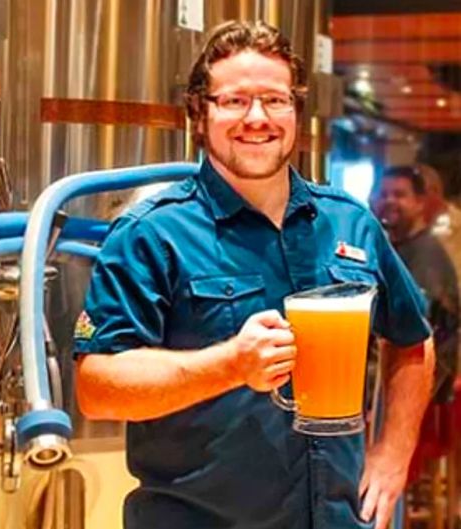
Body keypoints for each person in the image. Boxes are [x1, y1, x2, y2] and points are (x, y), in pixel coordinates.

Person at [73, 20, 434, 529]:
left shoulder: (349, 220)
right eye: (235, 101)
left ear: (296, 110)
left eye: (275, 99)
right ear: (201, 113)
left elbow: (413, 340)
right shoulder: (151, 232)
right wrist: (229, 365)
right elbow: (98, 387)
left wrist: (392, 457)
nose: (257, 118)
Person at [375, 166, 458, 405]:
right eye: (384, 194)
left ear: (420, 202)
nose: (389, 201)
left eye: (399, 195)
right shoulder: (392, 248)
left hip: (420, 394)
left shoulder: (427, 254)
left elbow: (423, 333)